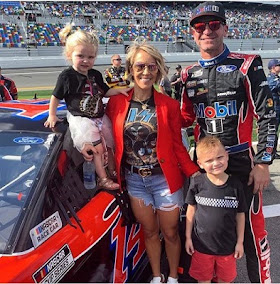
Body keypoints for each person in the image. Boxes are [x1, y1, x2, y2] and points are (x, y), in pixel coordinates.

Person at [82, 40, 200, 283]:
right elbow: (94, 124)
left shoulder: (168, 105)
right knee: (149, 232)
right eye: (140, 66)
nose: (146, 72)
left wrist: (194, 173)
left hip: (165, 180)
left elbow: (177, 146)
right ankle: (157, 276)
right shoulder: (116, 103)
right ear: (131, 69)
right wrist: (84, 141)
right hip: (134, 181)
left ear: (158, 69)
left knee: (169, 233)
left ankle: (173, 277)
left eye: (151, 66)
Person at [180, 2, 277, 283]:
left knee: (251, 233)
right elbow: (183, 119)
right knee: (206, 229)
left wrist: (262, 162)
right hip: (204, 167)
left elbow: (268, 115)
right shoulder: (188, 75)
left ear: (224, 28)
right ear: (193, 33)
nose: (207, 30)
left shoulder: (247, 64)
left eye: (213, 24)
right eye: (200, 26)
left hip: (240, 163)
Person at [44, 24, 121, 190]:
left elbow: (106, 92)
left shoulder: (96, 74)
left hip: (99, 115)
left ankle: (114, 170)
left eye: (91, 57)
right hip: (81, 118)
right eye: (81, 56)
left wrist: (122, 90)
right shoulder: (66, 76)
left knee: (110, 142)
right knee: (97, 148)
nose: (86, 61)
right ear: (69, 54)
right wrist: (52, 115)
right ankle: (103, 178)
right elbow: (55, 96)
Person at [185, 136, 246, 283]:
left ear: (227, 156)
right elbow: (191, 210)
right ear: (200, 164)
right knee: (203, 279)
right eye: (209, 160)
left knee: (225, 280)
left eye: (220, 157)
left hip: (227, 247)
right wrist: (188, 237)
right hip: (201, 246)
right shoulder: (197, 183)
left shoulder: (235, 185)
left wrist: (240, 242)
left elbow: (240, 215)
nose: (216, 163)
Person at [267, 58, 280, 159]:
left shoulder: (276, 78)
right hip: (273, 108)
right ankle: (271, 152)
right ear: (273, 67)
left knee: (274, 129)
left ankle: (272, 151)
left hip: (276, 106)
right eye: (279, 65)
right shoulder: (272, 79)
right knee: (272, 129)